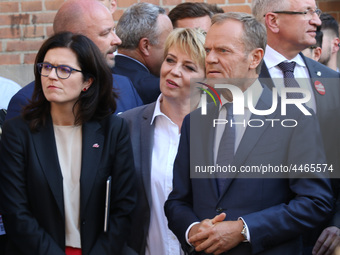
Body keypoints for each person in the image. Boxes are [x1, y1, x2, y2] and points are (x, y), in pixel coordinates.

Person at [164, 12, 333, 255]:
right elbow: (178, 200)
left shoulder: (295, 117)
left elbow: (315, 201)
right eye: (208, 49)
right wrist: (191, 230)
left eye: (222, 51)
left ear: (255, 58)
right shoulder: (194, 122)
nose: (210, 58)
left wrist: (244, 229)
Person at [0, 32, 136, 255]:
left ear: (87, 82)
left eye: (64, 70)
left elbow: (125, 207)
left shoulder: (113, 130)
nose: (51, 76)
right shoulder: (18, 131)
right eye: (46, 67)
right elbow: (16, 211)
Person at [252, 0, 340, 253]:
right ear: (273, 21)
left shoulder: (332, 80)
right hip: (259, 235)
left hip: (324, 237)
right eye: (307, 12)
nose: (317, 21)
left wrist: (338, 223)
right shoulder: (242, 78)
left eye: (316, 12)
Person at [120, 27, 206, 255]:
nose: (174, 71)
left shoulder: (220, 130)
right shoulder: (127, 125)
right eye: (170, 60)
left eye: (188, 67)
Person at [5, 0, 142, 120]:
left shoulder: (124, 86)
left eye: (114, 30)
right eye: (105, 33)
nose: (117, 40)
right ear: (75, 40)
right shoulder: (27, 103)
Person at [113, 3, 173, 104]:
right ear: (145, 46)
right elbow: (202, 115)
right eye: (169, 43)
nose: (171, 51)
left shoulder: (97, 73)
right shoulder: (156, 88)